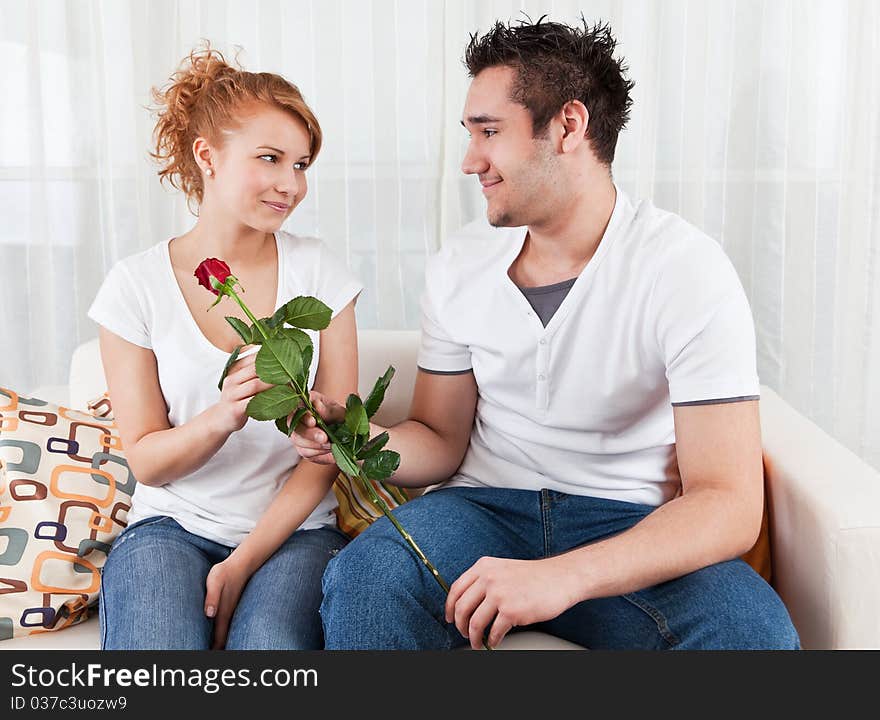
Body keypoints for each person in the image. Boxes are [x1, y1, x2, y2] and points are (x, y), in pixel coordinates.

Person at [294, 18, 800, 650]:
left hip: (630, 523)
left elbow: (726, 501)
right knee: (368, 577)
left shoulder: (684, 270)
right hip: (480, 510)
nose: (470, 160)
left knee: (753, 632)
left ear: (568, 125)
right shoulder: (461, 265)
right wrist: (358, 439)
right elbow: (440, 440)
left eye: (489, 131)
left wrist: (561, 578)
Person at [88, 46, 362, 650]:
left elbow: (329, 454)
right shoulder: (135, 285)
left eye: (301, 164)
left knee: (268, 651)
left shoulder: (320, 273)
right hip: (172, 527)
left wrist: (242, 563)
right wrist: (224, 415)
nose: (291, 185)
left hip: (296, 533)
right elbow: (149, 461)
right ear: (207, 156)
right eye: (270, 159)